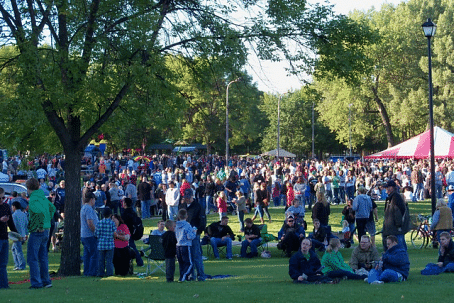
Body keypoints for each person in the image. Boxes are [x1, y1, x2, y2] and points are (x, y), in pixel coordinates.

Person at [26, 178, 56, 289]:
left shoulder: (33, 198)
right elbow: (52, 208)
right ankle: (46, 280)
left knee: (32, 258)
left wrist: (40, 225)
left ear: (29, 188)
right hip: (46, 230)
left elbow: (38, 213)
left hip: (37, 230)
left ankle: (36, 282)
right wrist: (47, 221)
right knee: (43, 257)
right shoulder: (42, 197)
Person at [179, 188, 206, 281]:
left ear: (192, 196)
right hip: (183, 235)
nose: (186, 199)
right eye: (185, 197)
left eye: (188, 197)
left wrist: (198, 230)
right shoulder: (182, 206)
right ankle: (191, 275)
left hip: (194, 234)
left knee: (196, 255)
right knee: (187, 257)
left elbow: (202, 221)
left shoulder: (198, 206)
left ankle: (201, 275)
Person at [0, 187, 20, 289]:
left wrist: (17, 235)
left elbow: (11, 223)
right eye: (0, 198)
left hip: (4, 237)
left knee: (3, 264)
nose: (2, 200)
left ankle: (4, 285)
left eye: (3, 197)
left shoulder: (6, 207)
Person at [383, 180, 411, 250]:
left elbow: (399, 212)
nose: (386, 189)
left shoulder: (395, 198)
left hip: (395, 228)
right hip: (392, 227)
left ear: (392, 188)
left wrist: (398, 225)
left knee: (400, 246)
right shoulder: (391, 198)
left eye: (387, 187)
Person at [121, 198, 144, 267]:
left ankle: (139, 261)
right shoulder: (133, 212)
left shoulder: (125, 213)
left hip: (127, 232)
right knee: (132, 246)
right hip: (132, 232)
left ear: (125, 204)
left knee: (132, 247)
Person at [175, 209, 197, 282]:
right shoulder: (187, 225)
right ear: (186, 216)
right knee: (189, 263)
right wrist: (194, 232)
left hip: (178, 245)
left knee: (181, 263)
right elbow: (190, 236)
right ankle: (184, 276)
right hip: (186, 245)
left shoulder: (176, 225)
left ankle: (183, 276)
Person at [80, 192, 99, 276]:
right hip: (90, 235)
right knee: (94, 254)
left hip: (84, 235)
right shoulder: (88, 208)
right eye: (94, 199)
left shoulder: (84, 207)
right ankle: (92, 272)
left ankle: (86, 271)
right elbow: (90, 222)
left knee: (87, 255)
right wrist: (96, 232)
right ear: (91, 199)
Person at [95, 208, 117, 277]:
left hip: (101, 244)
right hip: (110, 244)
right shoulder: (112, 223)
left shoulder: (99, 223)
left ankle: (100, 273)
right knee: (109, 260)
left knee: (101, 260)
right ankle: (109, 273)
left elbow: (96, 234)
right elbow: (115, 234)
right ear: (110, 215)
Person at [11, 201, 28, 271]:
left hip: (17, 236)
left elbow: (13, 226)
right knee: (14, 249)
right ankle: (17, 264)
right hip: (23, 234)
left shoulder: (14, 215)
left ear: (14, 207)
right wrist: (26, 234)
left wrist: (14, 236)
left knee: (18, 250)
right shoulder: (23, 214)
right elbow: (26, 224)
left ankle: (21, 265)